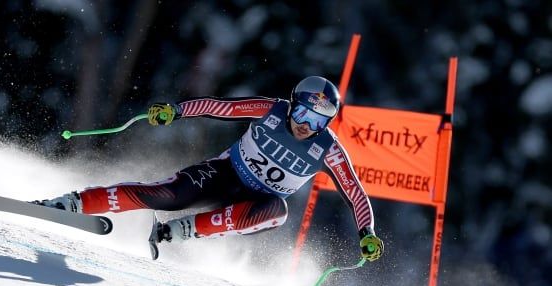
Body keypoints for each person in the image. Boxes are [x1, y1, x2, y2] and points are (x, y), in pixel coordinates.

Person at [36, 76, 384, 261]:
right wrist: (176, 110)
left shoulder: (328, 150)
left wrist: (366, 232)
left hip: (255, 205)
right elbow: (221, 107)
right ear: (292, 105)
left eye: (319, 121)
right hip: (224, 174)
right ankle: (69, 205)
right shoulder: (271, 109)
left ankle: (181, 231)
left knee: (278, 211)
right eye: (303, 113)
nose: (307, 125)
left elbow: (355, 191)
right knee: (165, 196)